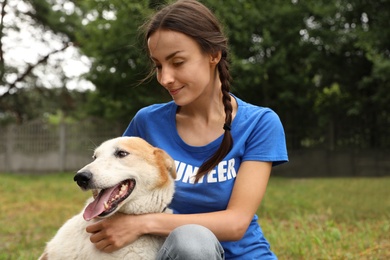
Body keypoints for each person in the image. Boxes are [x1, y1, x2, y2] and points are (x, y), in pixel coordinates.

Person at [85, 0, 288, 259]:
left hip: (245, 254)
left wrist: (142, 224)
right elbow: (110, 183)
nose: (165, 78)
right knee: (190, 243)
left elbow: (237, 223)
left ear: (214, 55)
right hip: (174, 253)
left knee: (192, 237)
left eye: (177, 62)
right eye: (158, 65)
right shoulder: (147, 122)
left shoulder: (260, 123)